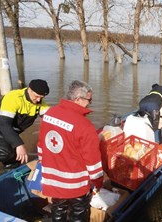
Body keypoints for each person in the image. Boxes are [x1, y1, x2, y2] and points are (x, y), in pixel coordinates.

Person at [37, 80, 104, 222]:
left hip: (53, 180)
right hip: (76, 184)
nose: (90, 103)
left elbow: (41, 144)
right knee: (79, 213)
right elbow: (92, 160)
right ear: (78, 99)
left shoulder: (49, 114)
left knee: (58, 208)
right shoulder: (84, 125)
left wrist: (43, 162)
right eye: (89, 100)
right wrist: (98, 182)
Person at [0, 79, 50, 168]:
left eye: (41, 97)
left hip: (11, 132)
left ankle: (10, 173)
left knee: (17, 158)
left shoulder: (40, 102)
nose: (38, 100)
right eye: (37, 96)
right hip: (2, 127)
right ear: (29, 89)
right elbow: (4, 124)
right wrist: (18, 144)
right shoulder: (13, 97)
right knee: (6, 152)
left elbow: (51, 118)